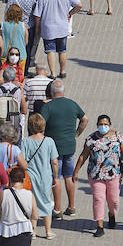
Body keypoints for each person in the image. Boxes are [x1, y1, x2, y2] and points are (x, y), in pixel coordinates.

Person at [73, 114, 123, 237]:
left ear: (110, 125)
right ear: (97, 125)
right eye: (100, 124)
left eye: (105, 124)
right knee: (98, 198)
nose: (103, 126)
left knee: (114, 200)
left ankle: (111, 214)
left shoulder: (118, 137)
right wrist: (76, 171)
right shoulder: (91, 139)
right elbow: (84, 155)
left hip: (113, 174)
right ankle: (99, 226)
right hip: (96, 175)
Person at [42, 81, 88, 216]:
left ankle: (57, 208)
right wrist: (77, 133)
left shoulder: (48, 106)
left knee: (56, 178)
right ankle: (71, 207)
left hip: (54, 148)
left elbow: (40, 123)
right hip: (70, 146)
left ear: (51, 91)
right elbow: (85, 119)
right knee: (69, 176)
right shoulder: (72, 103)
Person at [34, 0, 82, 79]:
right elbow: (79, 5)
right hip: (62, 27)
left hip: (48, 28)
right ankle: (63, 71)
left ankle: (52, 73)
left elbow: (37, 14)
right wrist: (70, 13)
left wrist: (38, 27)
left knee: (50, 51)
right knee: (62, 50)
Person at [22, 111, 62, 238]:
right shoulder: (49, 141)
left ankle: (33, 231)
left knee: (31, 202)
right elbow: (54, 162)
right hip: (45, 176)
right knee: (45, 201)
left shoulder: (25, 141)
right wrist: (55, 177)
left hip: (30, 175)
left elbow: (22, 159)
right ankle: (48, 231)